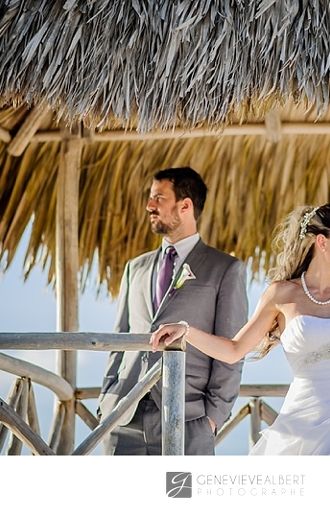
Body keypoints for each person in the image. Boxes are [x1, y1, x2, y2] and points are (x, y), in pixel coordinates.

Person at [151, 145, 330, 455]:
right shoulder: (282, 295)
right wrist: (187, 330)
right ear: (322, 242)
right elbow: (234, 350)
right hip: (301, 430)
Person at [97, 166, 249, 455]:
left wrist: (213, 417)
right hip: (123, 417)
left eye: (158, 198)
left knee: (180, 499)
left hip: (189, 418)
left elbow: (232, 349)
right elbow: (119, 337)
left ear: (185, 205)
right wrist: (107, 398)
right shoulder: (135, 268)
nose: (149, 206)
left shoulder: (225, 269)